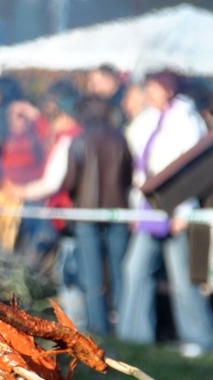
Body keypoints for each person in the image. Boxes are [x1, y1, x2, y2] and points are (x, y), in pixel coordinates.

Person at [118, 71, 213, 357]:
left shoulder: (187, 120)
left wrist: (184, 210)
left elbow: (193, 169)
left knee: (183, 278)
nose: (149, 92)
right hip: (149, 209)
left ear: (169, 89)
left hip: (176, 210)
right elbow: (138, 162)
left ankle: (199, 339)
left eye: (154, 87)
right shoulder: (147, 119)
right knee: (134, 271)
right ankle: (133, 336)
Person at [63, 96, 132, 335]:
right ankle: (125, 327)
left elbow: (70, 181)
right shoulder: (120, 139)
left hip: (86, 212)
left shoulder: (79, 140)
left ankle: (98, 327)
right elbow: (128, 177)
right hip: (118, 211)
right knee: (119, 272)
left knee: (91, 273)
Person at [5, 80, 82, 269]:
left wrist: (19, 191)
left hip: (60, 213)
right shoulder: (68, 137)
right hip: (56, 212)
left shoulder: (68, 140)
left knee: (36, 264)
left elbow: (50, 183)